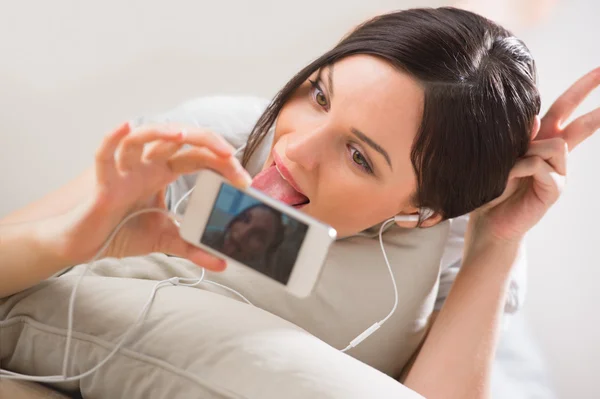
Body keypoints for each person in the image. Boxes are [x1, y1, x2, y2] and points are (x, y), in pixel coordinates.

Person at [0, 7, 598, 398]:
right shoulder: (218, 142)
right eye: (318, 94)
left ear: (422, 209)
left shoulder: (457, 237)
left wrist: (497, 244)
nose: (297, 148)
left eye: (359, 155)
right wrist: (81, 236)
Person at [202, 204, 285, 279]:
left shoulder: (258, 279)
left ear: (269, 250)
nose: (242, 234)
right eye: (245, 219)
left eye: (258, 235)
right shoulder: (209, 236)